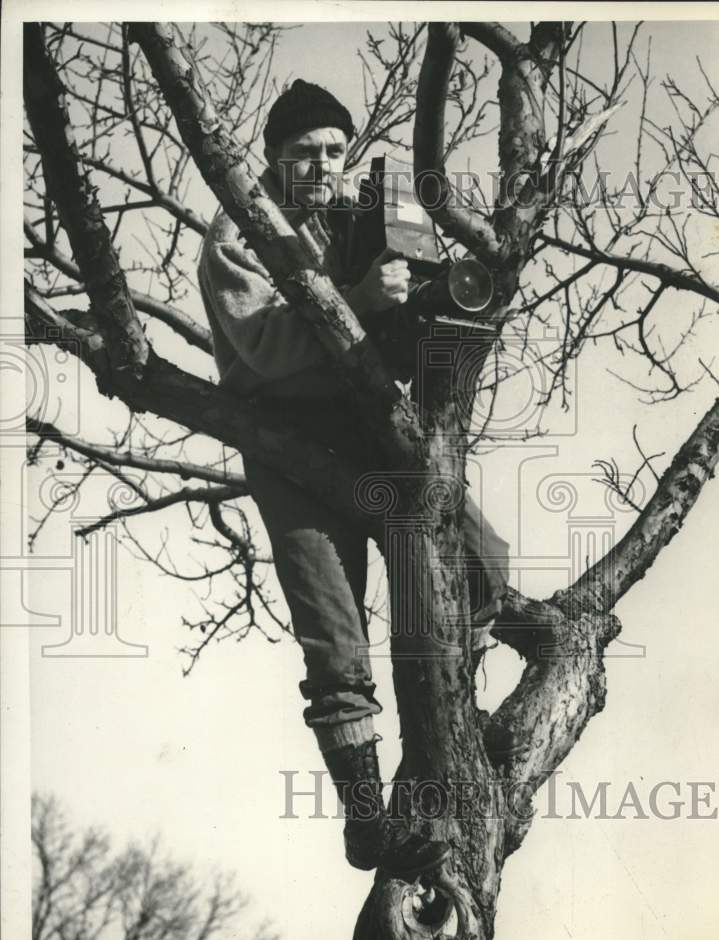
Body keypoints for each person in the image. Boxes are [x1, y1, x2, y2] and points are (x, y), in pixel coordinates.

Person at [198, 80, 510, 879]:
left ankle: (439, 746)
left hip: (369, 427)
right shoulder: (238, 231)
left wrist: (424, 296)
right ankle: (364, 816)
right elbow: (265, 350)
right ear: (270, 156)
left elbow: (405, 327)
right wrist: (360, 301)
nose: (324, 166)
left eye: (336, 150)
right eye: (305, 153)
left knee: (478, 561)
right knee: (335, 637)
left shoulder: (353, 212)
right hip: (288, 442)